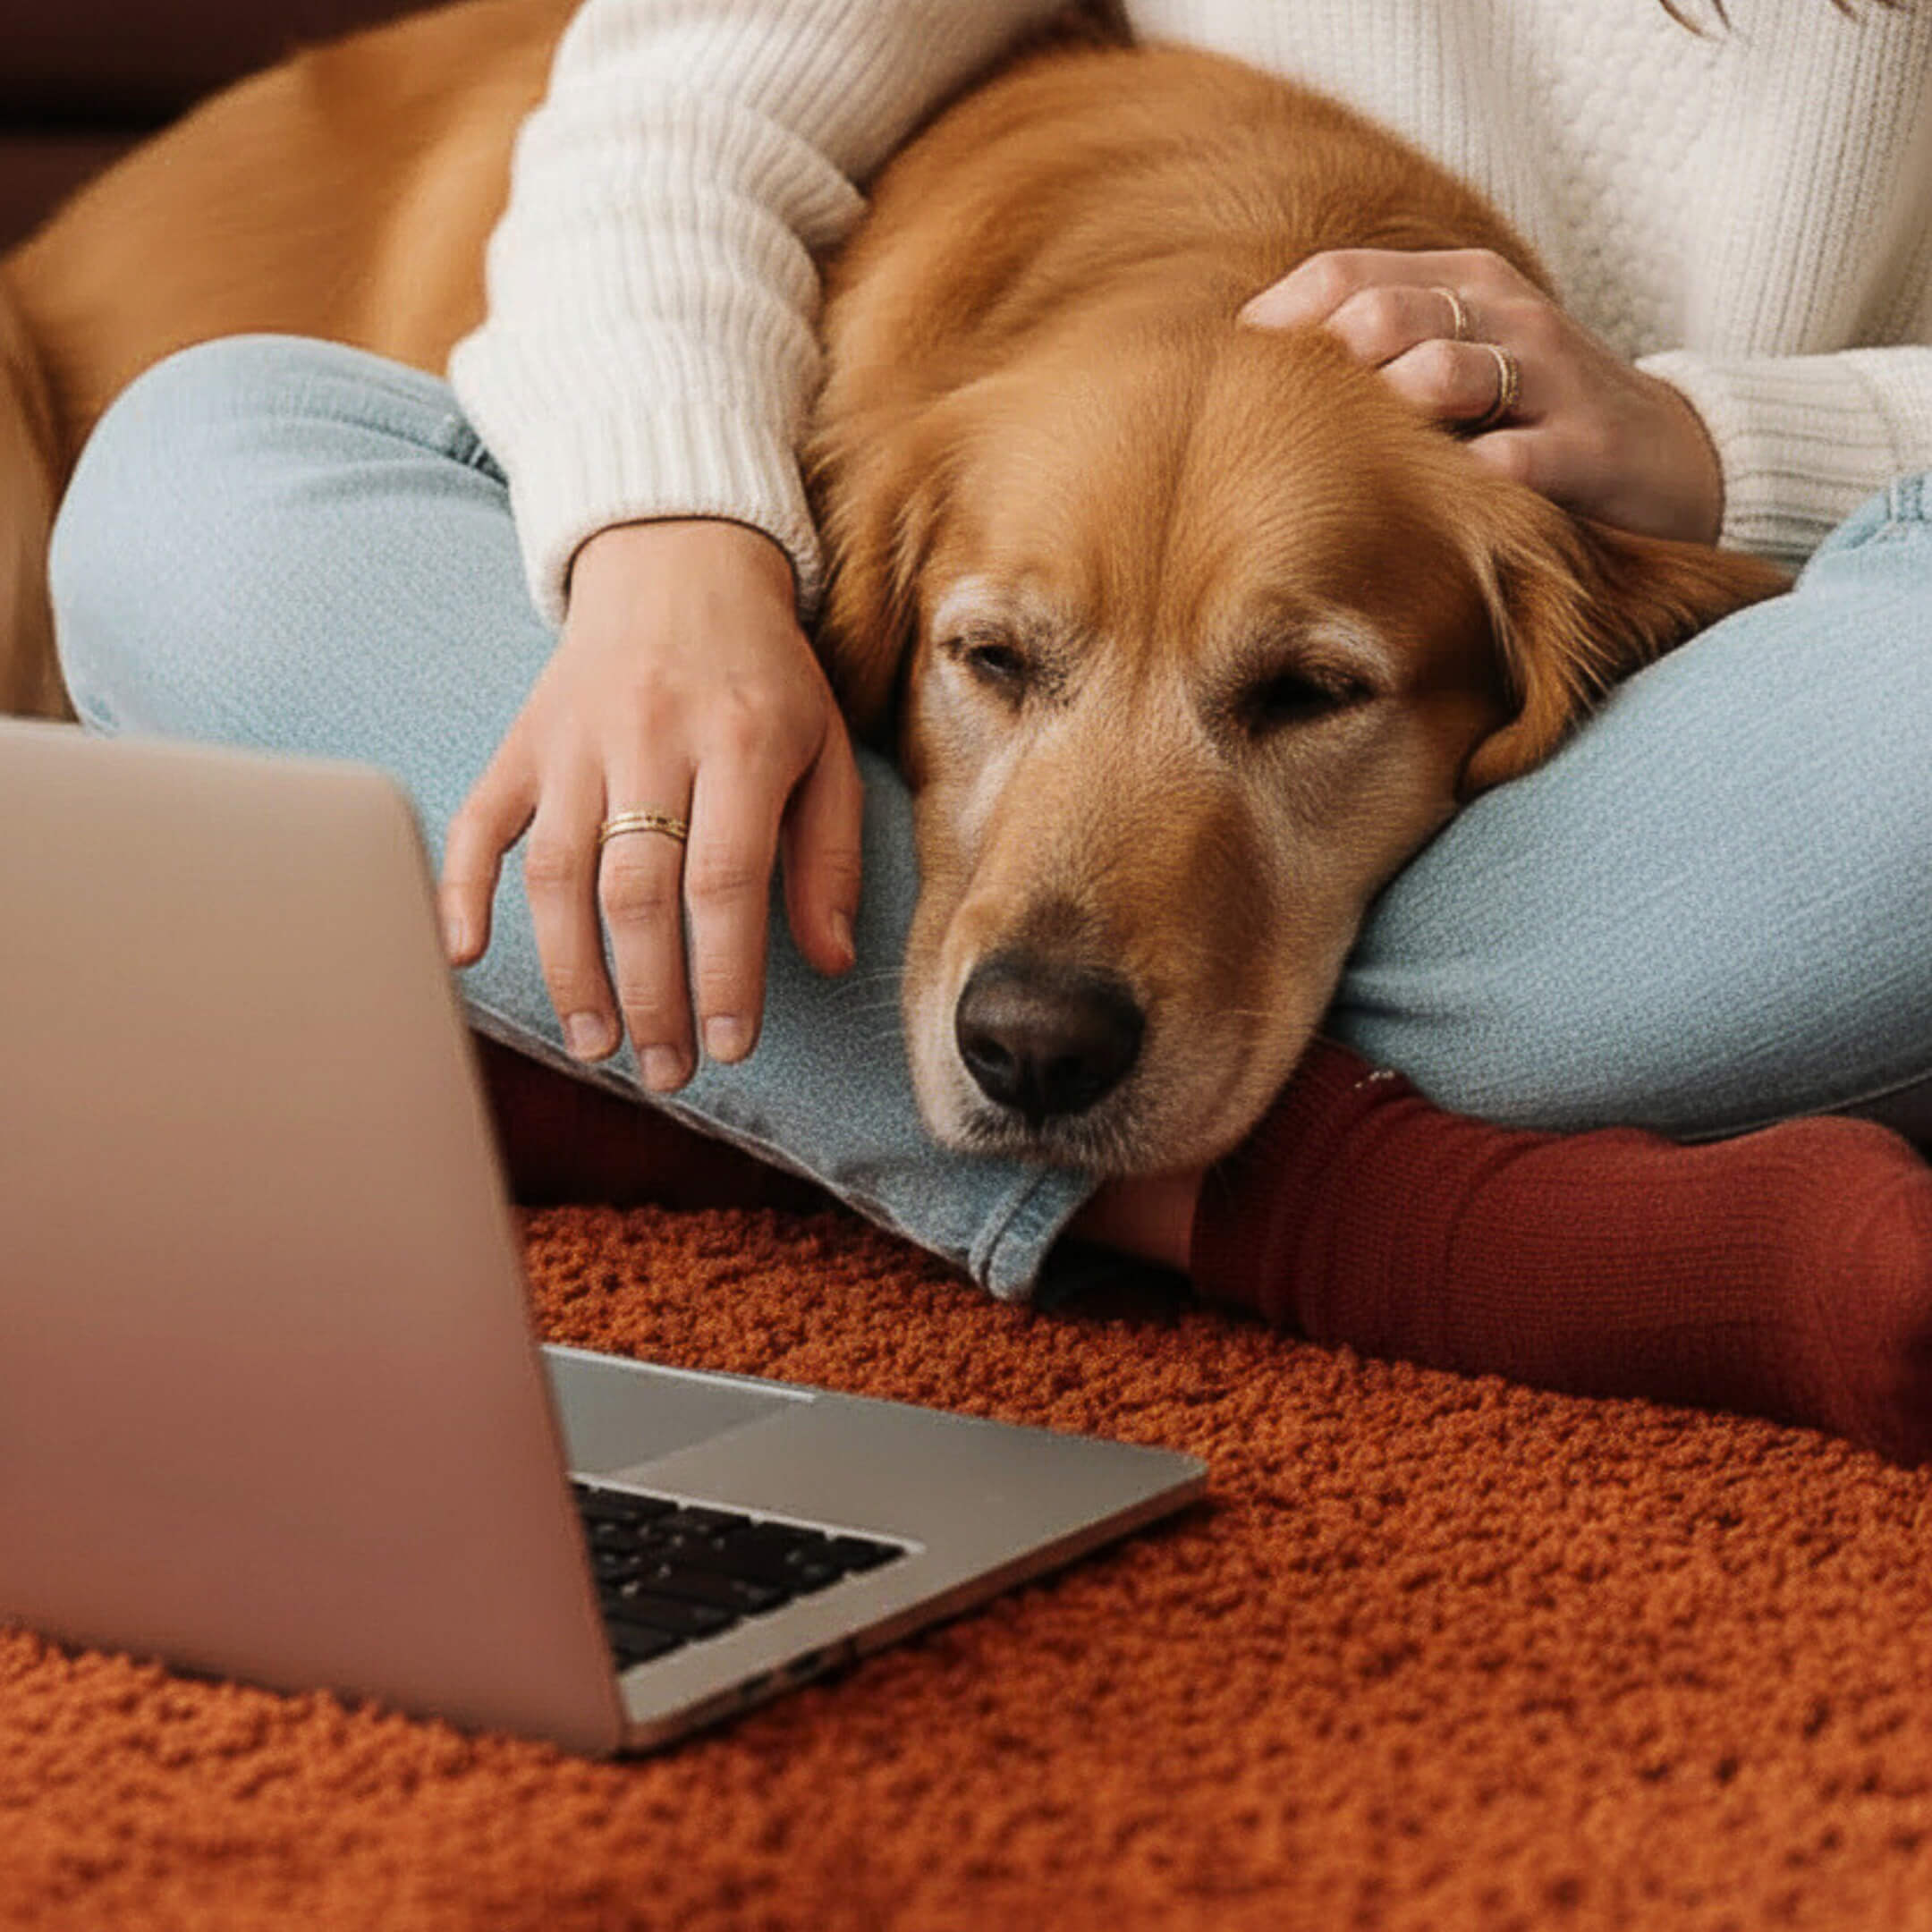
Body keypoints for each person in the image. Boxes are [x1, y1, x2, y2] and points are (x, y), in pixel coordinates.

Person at [47, 0, 1932, 1460]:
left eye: (1300, 693)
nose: (1058, 969)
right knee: (185, 488)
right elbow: (686, 98)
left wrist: (1724, 445)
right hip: (660, 479)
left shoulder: (1534, 595)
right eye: (996, 667)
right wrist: (676, 546)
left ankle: (623, 1032)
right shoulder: (871, 524)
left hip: (1683, 531)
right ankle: (1397, 1213)